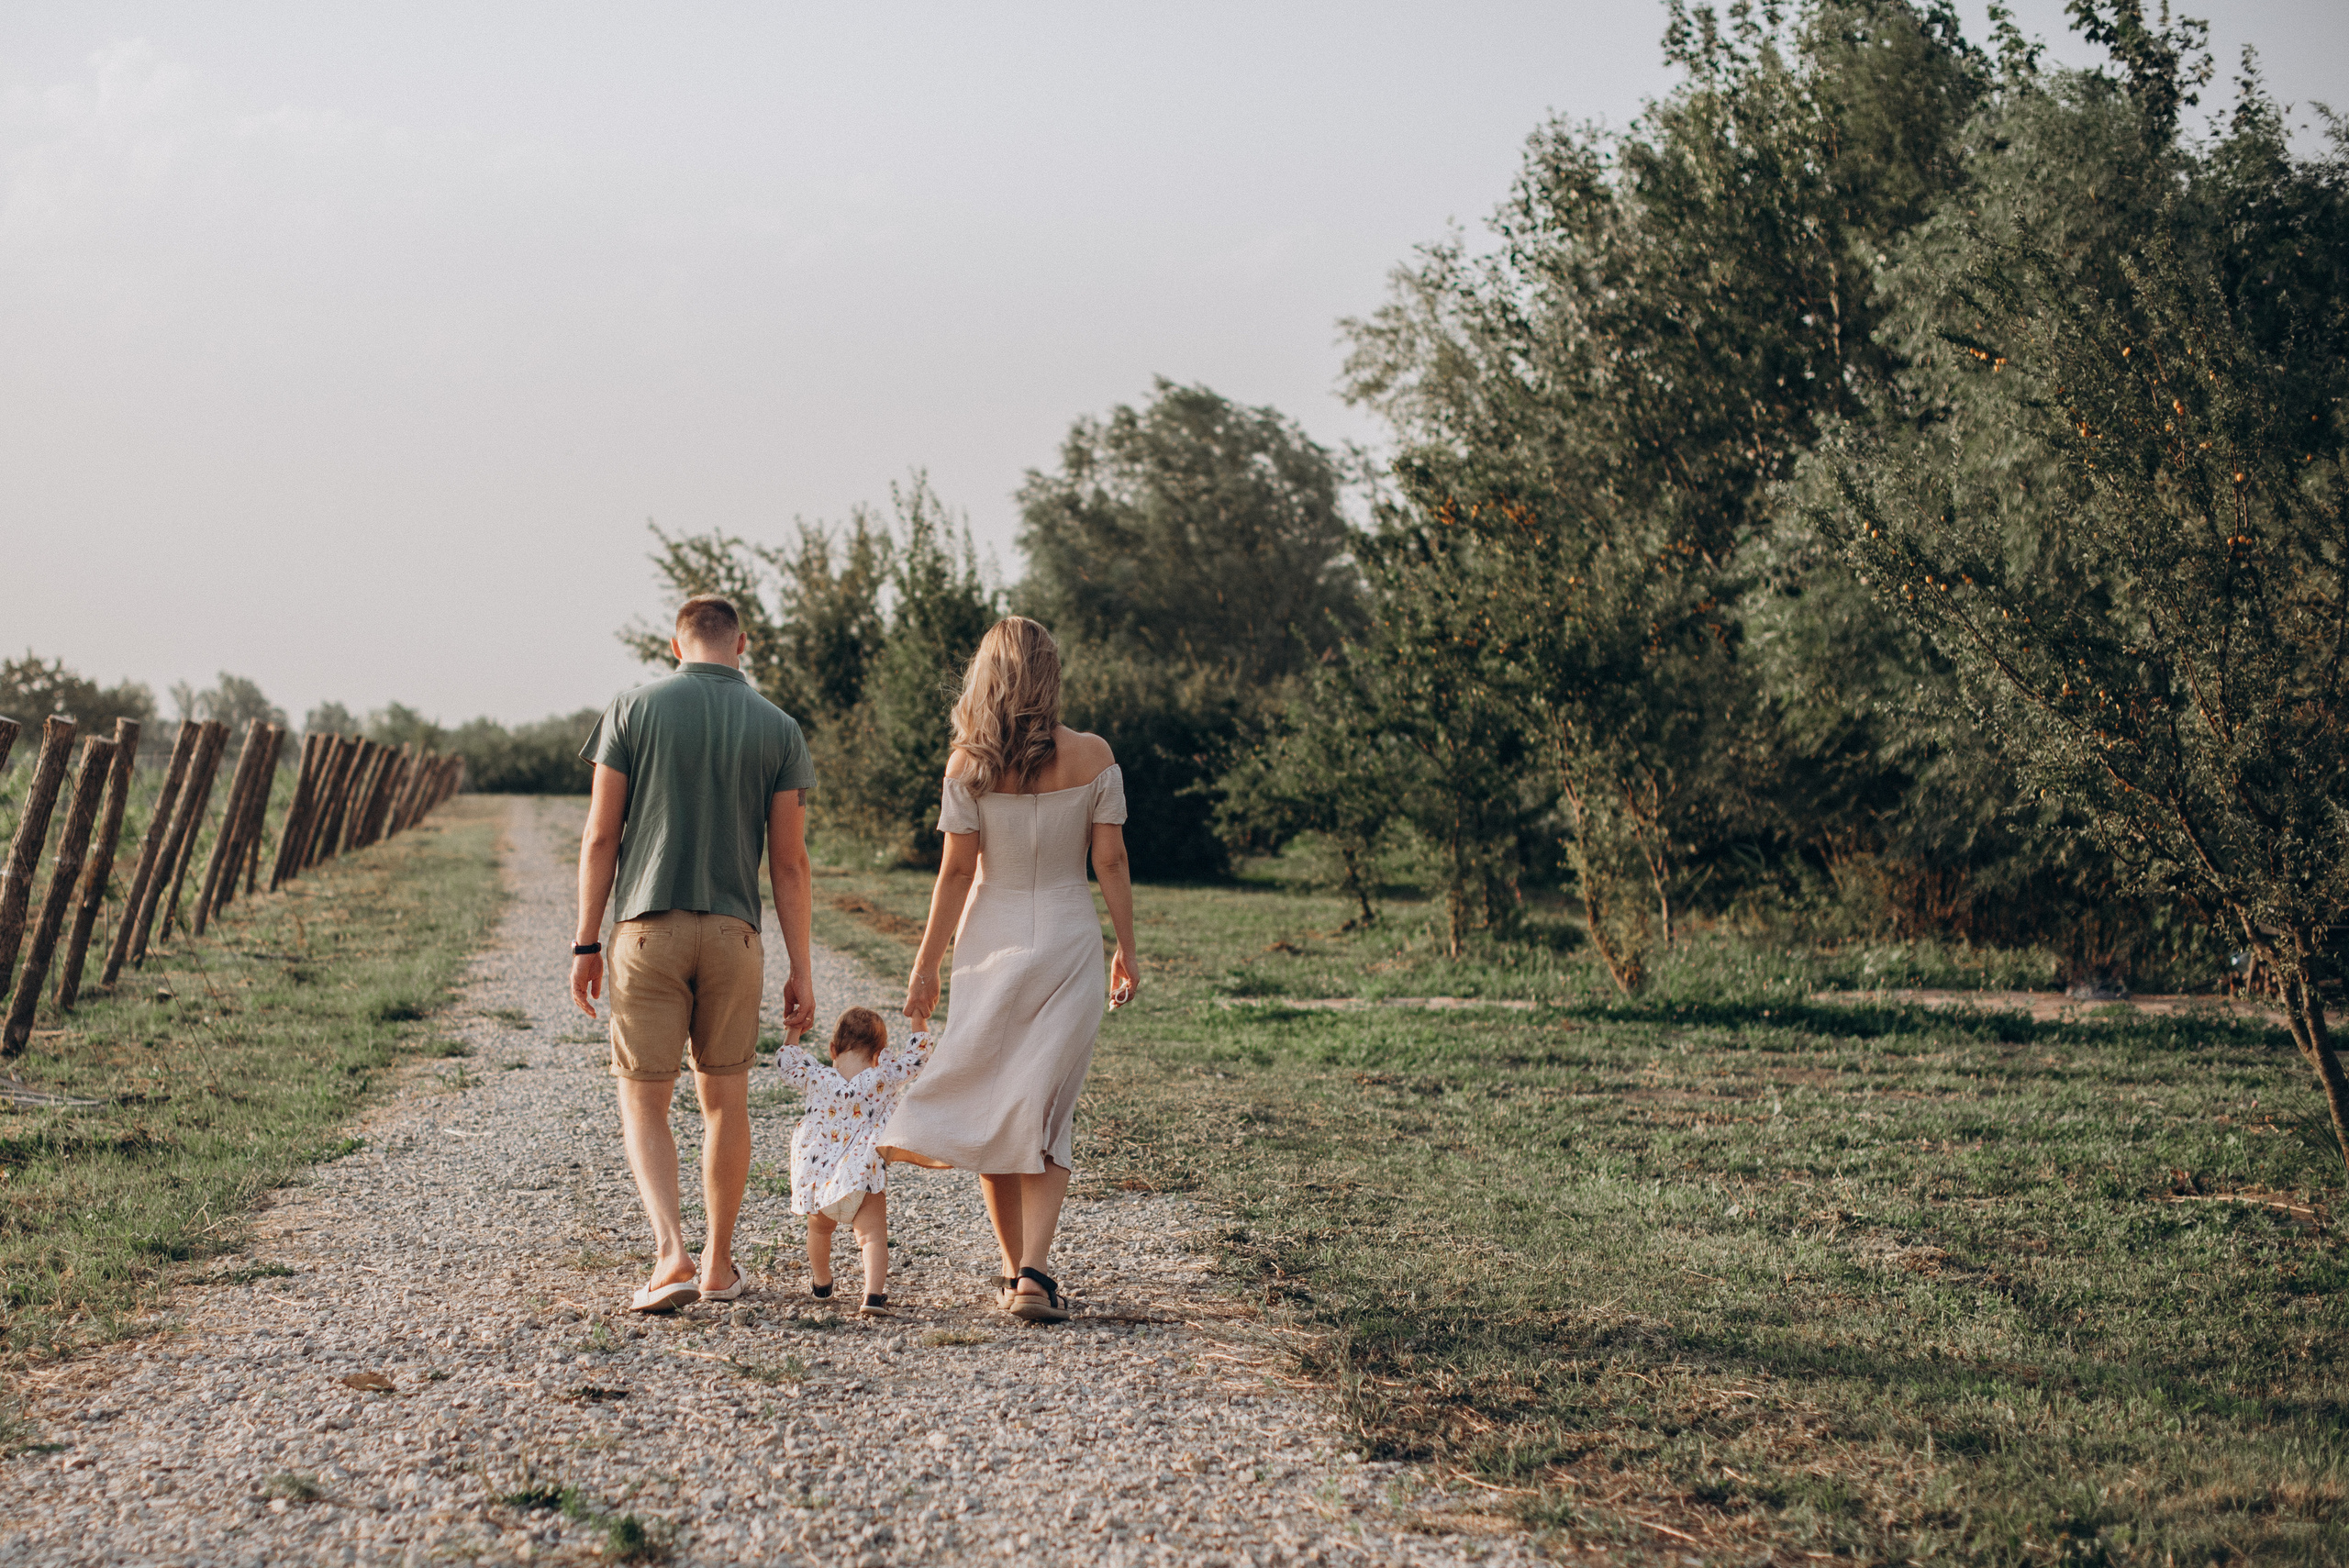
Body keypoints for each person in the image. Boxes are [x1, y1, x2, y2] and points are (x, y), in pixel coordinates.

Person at [879, 617, 1138, 1323]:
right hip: (1068, 938)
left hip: (988, 938)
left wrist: (926, 963)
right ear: (1051, 673)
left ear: (984, 674)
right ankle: (1033, 1272)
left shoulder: (967, 764)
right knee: (1049, 1106)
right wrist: (1128, 947)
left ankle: (1010, 1269)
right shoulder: (1094, 755)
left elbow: (956, 872)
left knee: (999, 1101)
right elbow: (1108, 860)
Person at [570, 594, 817, 1314]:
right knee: (724, 1100)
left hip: (647, 929)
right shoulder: (779, 727)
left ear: (676, 645)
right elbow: (791, 861)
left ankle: (670, 1250)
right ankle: (717, 1262)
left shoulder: (631, 709)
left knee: (645, 1099)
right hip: (735, 935)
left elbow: (599, 836)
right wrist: (801, 965)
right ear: (741, 643)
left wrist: (587, 938)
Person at [774, 1006, 934, 1314]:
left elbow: (787, 1061)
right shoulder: (883, 1077)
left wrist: (794, 1028)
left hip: (819, 1177)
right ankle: (873, 1296)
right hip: (862, 1174)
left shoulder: (816, 1077)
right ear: (879, 1054)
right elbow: (916, 1059)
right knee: (872, 1237)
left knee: (819, 1231)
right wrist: (918, 1020)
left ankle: (822, 1283)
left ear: (833, 1049)